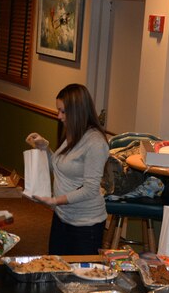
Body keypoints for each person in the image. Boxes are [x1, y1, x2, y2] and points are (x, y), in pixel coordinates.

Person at [25, 84, 109, 256]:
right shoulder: (73, 133)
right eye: (58, 111)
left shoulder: (95, 142)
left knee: (81, 277)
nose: (59, 116)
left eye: (63, 111)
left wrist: (56, 201)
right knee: (56, 268)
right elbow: (59, 168)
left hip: (86, 224)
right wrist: (44, 148)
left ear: (77, 111)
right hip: (63, 217)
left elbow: (91, 189)